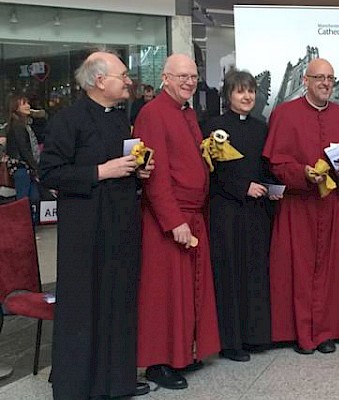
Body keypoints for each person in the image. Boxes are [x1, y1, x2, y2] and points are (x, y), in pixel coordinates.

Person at [40, 50, 153, 399]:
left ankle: (116, 381)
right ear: (100, 80)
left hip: (120, 226)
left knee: (118, 302)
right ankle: (78, 385)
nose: (128, 81)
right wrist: (101, 172)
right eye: (122, 75)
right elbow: (49, 172)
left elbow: (122, 167)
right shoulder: (67, 120)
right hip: (85, 231)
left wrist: (137, 171)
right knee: (84, 305)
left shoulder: (120, 119)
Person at [135, 54, 220, 390]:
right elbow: (155, 177)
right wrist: (173, 221)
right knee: (164, 294)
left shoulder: (186, 112)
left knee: (188, 290)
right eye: (182, 76)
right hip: (169, 220)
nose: (189, 82)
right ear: (165, 78)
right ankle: (159, 362)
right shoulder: (152, 114)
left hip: (193, 214)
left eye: (194, 76)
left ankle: (184, 352)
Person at [262, 58, 339, 354]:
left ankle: (326, 331)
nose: (326, 83)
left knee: (330, 271)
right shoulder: (284, 114)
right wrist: (301, 173)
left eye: (330, 78)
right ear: (305, 80)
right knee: (297, 270)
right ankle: (297, 331)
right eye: (319, 78)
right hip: (298, 205)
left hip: (330, 206)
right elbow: (276, 163)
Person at [205, 69, 279, 362]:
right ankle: (231, 342)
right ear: (228, 95)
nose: (247, 96)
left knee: (255, 271)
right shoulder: (213, 127)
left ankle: (255, 335)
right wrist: (241, 187)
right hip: (226, 211)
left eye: (250, 91)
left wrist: (275, 188)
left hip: (256, 212)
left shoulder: (262, 128)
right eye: (240, 91)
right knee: (229, 273)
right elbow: (210, 172)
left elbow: (267, 168)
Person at [6, 96, 40, 222]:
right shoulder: (18, 126)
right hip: (22, 167)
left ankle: (29, 226)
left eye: (28, 103)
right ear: (16, 107)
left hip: (26, 168)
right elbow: (24, 149)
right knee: (24, 200)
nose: (28, 106)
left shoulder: (24, 124)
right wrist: (36, 167)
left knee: (33, 198)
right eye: (24, 104)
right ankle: (23, 226)